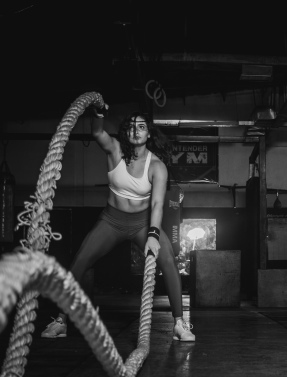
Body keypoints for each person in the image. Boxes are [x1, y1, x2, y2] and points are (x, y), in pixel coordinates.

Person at [41, 105, 195, 342]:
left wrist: (153, 235)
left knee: (168, 261)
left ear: (148, 134)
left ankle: (179, 324)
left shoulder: (157, 166)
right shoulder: (114, 149)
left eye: (141, 127)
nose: (136, 131)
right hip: (111, 220)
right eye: (132, 126)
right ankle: (62, 320)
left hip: (143, 223)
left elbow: (157, 205)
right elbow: (97, 133)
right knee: (81, 261)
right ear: (126, 132)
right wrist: (99, 113)